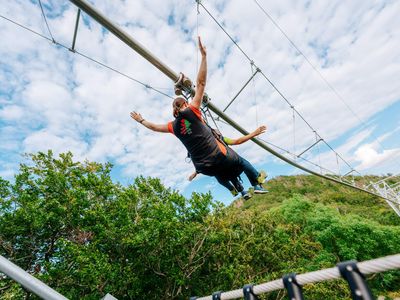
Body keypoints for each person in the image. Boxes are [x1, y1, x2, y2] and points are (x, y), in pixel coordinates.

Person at [130, 36, 268, 200]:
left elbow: (154, 127)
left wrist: (141, 120)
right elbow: (201, 83)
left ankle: (239, 190)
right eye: (187, 103)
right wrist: (203, 57)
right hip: (220, 157)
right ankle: (257, 183)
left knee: (224, 174)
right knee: (241, 161)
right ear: (185, 105)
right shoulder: (192, 112)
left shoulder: (172, 126)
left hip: (206, 168)